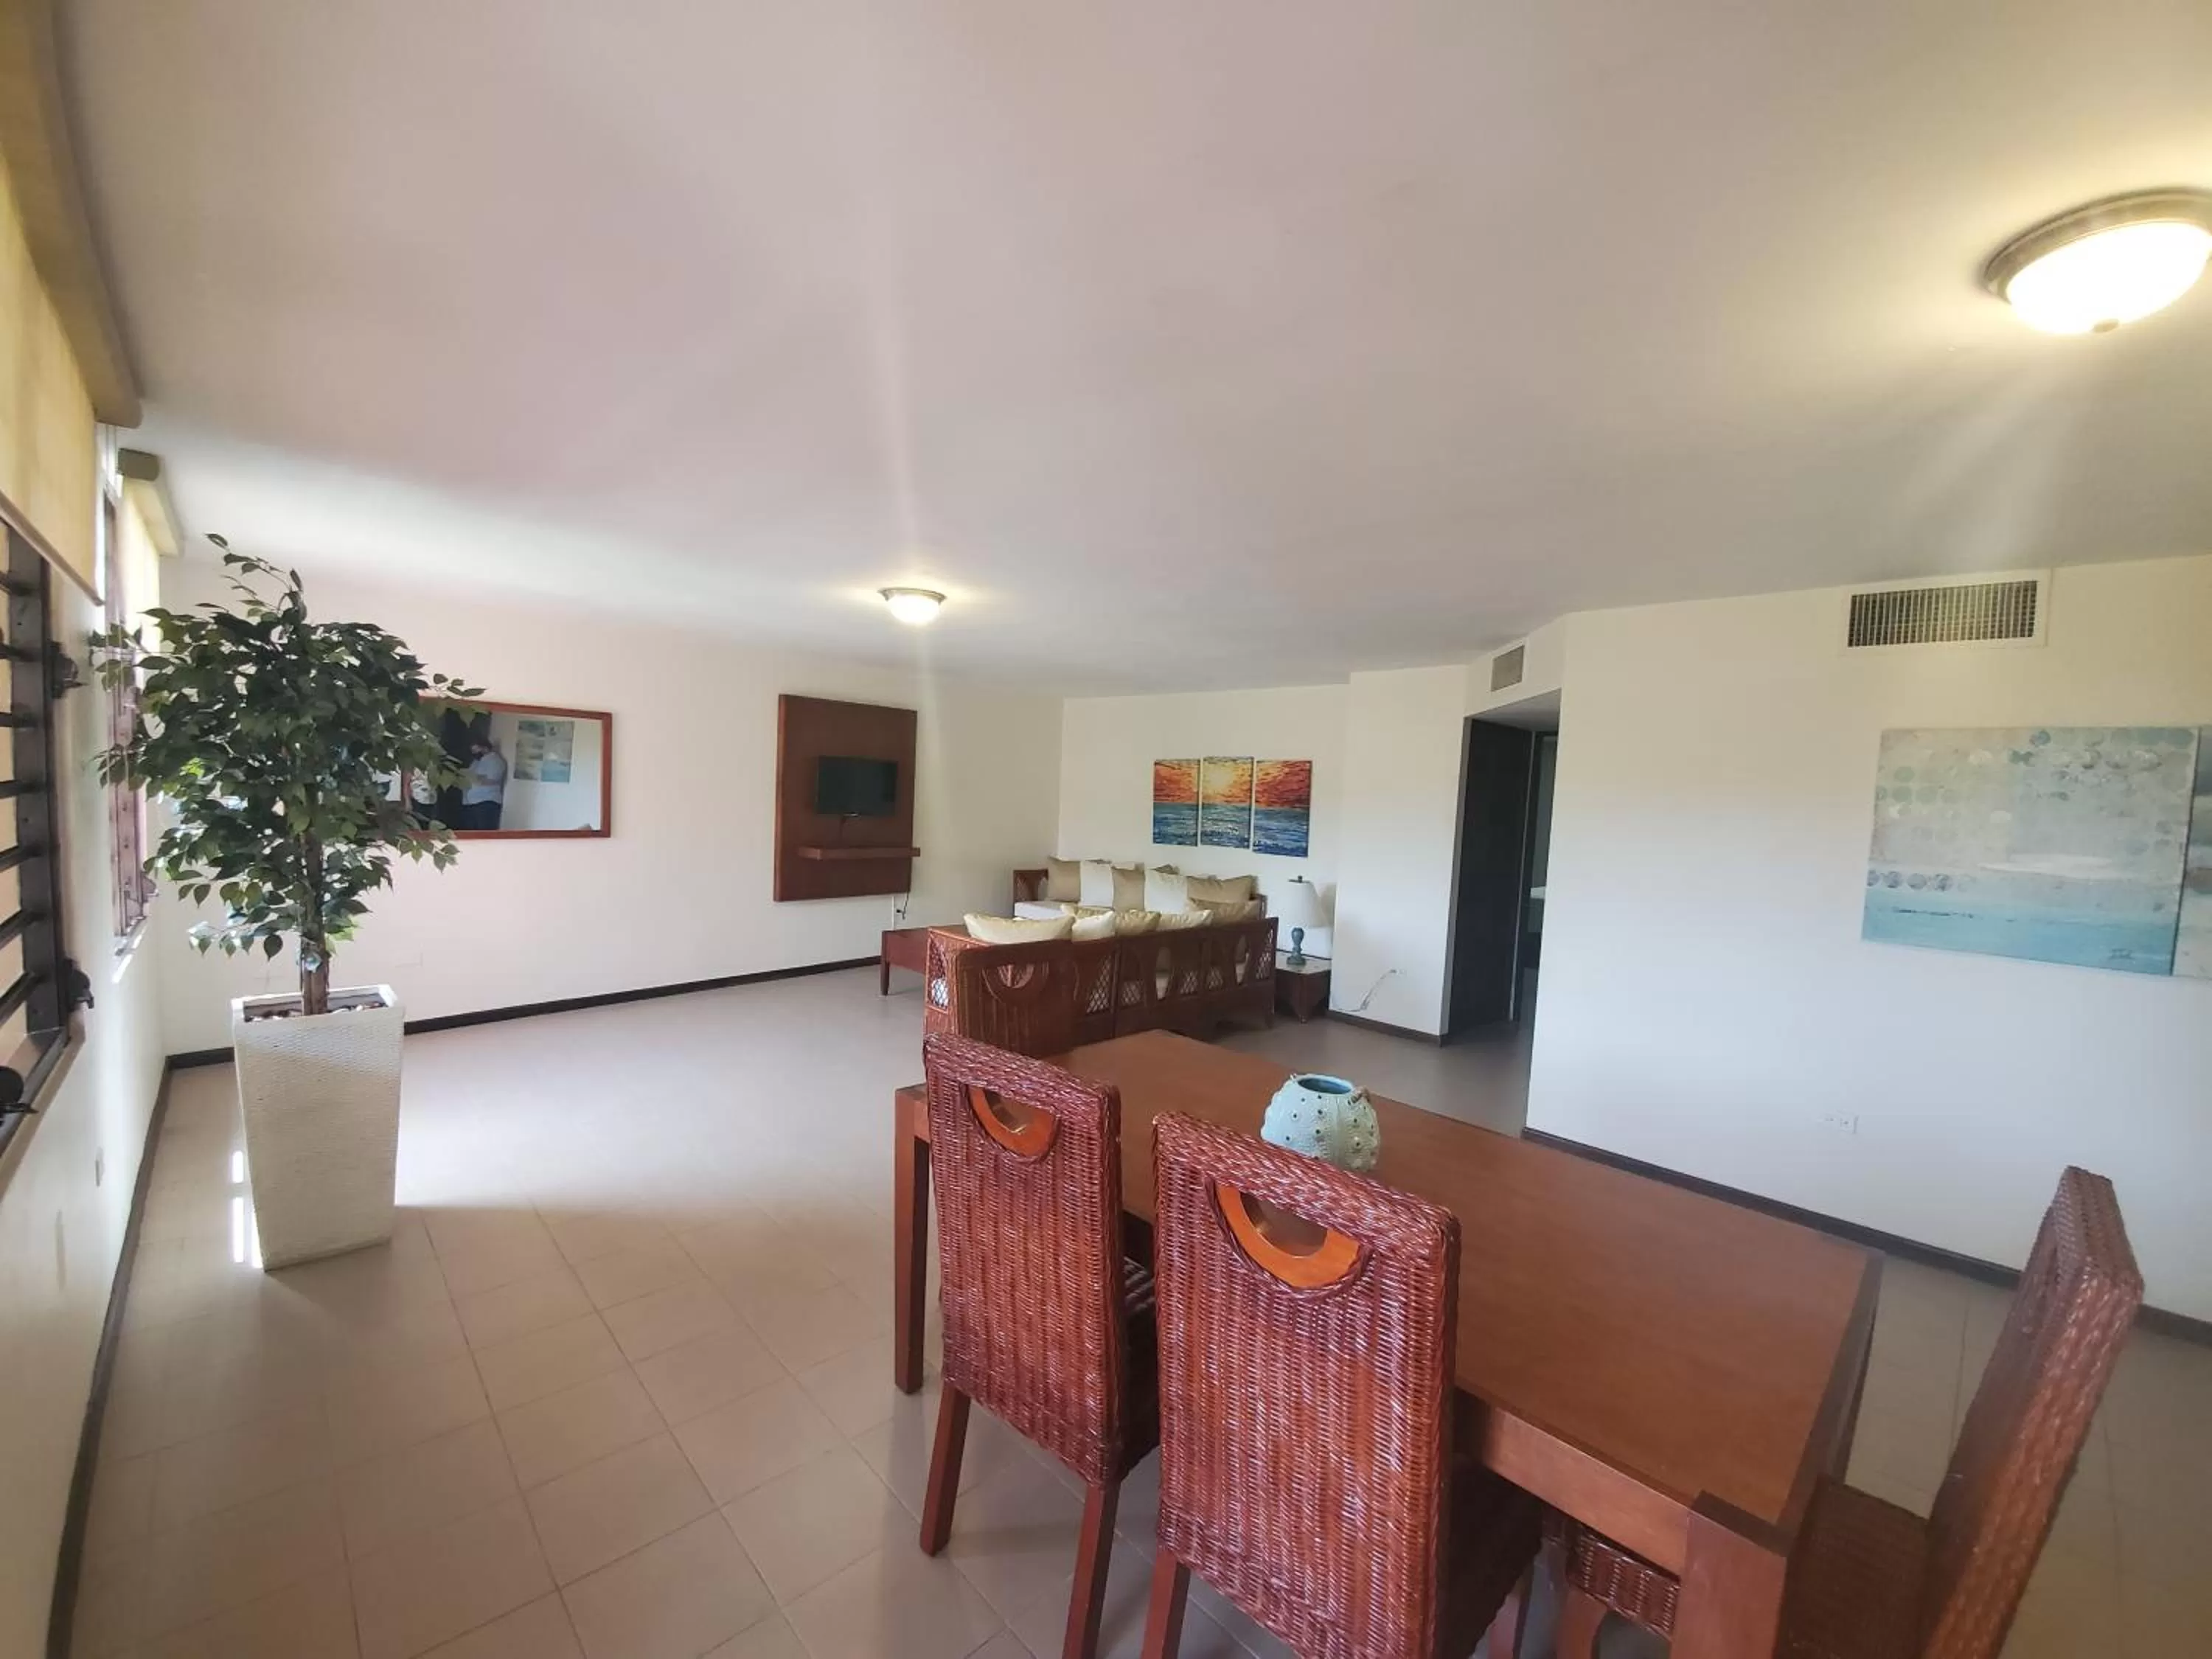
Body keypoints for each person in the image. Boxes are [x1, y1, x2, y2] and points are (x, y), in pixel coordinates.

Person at [461, 736, 507, 830]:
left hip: (486, 803)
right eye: (473, 751)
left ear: (485, 748)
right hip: (472, 803)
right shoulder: (476, 762)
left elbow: (491, 780)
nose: (475, 753)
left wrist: (474, 777)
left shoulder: (495, 761)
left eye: (476, 750)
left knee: (484, 833)